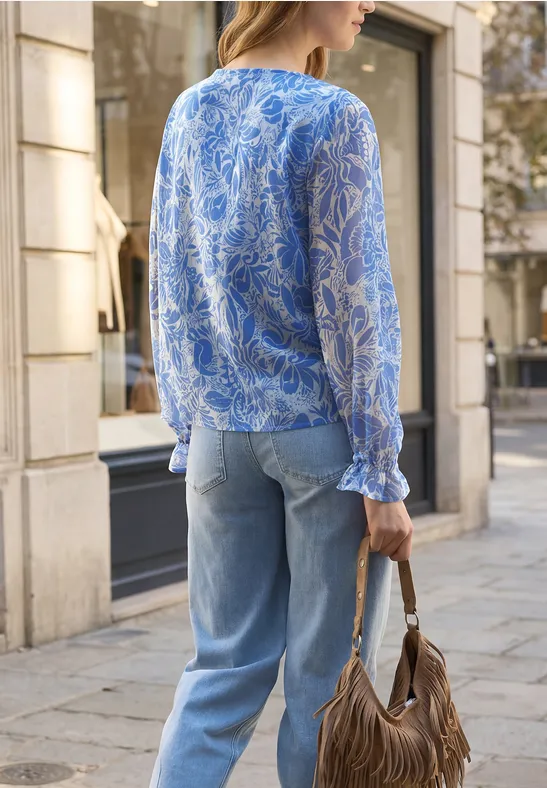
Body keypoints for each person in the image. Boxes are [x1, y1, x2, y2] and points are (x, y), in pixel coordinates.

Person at [148, 2, 412, 786]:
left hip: (220, 436)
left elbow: (170, 288)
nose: (367, 4)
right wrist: (379, 465)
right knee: (327, 683)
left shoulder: (189, 109)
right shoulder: (334, 115)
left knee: (218, 671)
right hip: (316, 438)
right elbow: (353, 303)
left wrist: (188, 422)